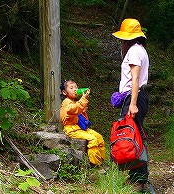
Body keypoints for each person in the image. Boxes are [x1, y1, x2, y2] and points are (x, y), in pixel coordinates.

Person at [112, 18, 150, 192]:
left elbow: (135, 78)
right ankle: (138, 178)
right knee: (135, 136)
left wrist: (132, 103)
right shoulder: (140, 49)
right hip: (138, 96)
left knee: (130, 136)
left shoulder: (134, 51)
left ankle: (139, 180)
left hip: (134, 97)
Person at [60, 80, 106, 166]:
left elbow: (82, 119)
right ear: (64, 92)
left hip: (80, 128)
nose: (75, 89)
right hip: (72, 129)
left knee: (99, 137)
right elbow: (72, 109)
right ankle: (95, 164)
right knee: (93, 139)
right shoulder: (66, 101)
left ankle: (101, 160)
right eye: (71, 88)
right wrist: (83, 99)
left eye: (76, 87)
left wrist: (83, 112)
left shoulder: (74, 102)